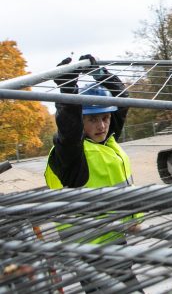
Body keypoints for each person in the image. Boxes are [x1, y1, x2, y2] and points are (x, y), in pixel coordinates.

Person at [45, 55, 140, 292]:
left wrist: (100, 73)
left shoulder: (106, 140)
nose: (102, 126)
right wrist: (68, 88)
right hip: (90, 249)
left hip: (116, 240)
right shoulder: (72, 155)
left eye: (106, 118)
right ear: (81, 122)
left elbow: (122, 100)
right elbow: (69, 129)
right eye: (93, 120)